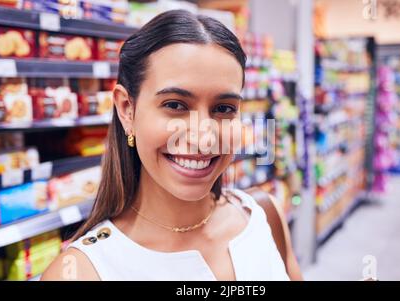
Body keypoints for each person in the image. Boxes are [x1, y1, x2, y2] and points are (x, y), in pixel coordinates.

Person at [42, 9, 303, 281]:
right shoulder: (80, 272)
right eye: (175, 105)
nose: (203, 138)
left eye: (224, 108)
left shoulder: (264, 216)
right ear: (126, 110)